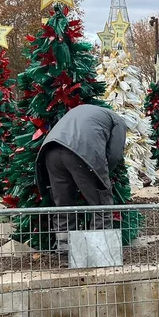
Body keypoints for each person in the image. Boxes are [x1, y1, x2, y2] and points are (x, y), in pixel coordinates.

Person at [37, 104, 127, 251]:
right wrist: (102, 178)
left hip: (51, 150)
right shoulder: (118, 122)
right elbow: (115, 155)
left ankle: (64, 248)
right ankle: (100, 250)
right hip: (81, 152)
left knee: (63, 204)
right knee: (101, 203)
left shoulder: (85, 111)